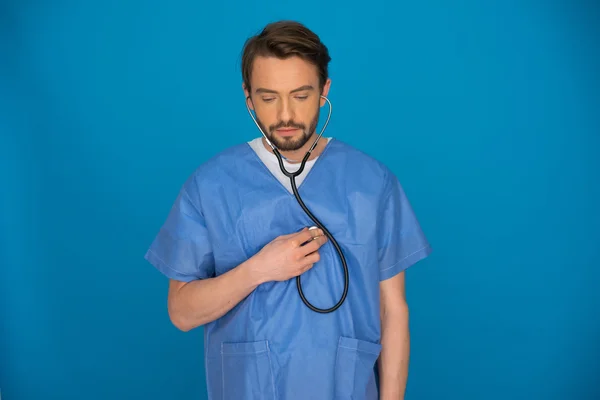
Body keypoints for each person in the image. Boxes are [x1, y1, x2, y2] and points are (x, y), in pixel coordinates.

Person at [144, 20, 432, 400]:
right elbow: (181, 312)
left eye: (300, 95)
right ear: (248, 97)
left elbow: (393, 311)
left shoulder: (371, 183)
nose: (285, 115)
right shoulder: (210, 185)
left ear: (324, 91)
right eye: (268, 97)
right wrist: (258, 270)